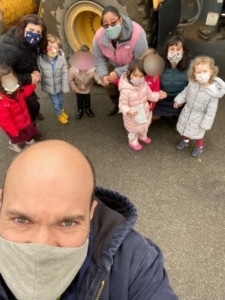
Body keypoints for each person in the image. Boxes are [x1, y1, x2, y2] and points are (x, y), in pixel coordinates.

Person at [0, 139, 178, 299]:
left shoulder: (136, 262)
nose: (42, 244)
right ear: (1, 203)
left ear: (91, 213)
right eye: (21, 220)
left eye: (68, 223)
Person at [93, 5, 148, 116]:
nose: (110, 27)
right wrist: (103, 75)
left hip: (134, 66)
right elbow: (98, 59)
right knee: (109, 84)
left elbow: (141, 60)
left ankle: (134, 107)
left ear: (121, 20)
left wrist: (118, 72)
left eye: (113, 23)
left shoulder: (137, 33)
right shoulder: (99, 36)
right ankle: (116, 102)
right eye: (106, 25)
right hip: (113, 64)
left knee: (133, 88)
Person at [0, 14, 48, 140]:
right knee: (31, 106)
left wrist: (36, 71)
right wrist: (29, 78)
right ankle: (28, 129)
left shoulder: (31, 42)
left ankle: (29, 117)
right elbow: (4, 76)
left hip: (23, 78)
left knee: (29, 106)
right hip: (11, 86)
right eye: (31, 30)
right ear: (23, 28)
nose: (35, 35)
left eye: (38, 32)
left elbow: (32, 59)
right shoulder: (8, 49)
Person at [174, 56, 225, 157]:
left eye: (204, 71)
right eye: (198, 72)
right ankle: (185, 140)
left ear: (211, 72)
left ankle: (199, 146)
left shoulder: (213, 93)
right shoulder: (193, 83)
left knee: (199, 134)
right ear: (194, 73)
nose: (201, 75)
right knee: (185, 128)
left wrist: (206, 123)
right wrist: (178, 100)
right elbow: (185, 92)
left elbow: (211, 111)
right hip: (187, 111)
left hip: (200, 117)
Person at [119, 59, 167, 151]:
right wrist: (128, 111)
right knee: (133, 130)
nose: (138, 78)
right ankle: (133, 140)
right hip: (133, 116)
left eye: (141, 76)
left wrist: (158, 95)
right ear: (129, 73)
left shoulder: (144, 85)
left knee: (144, 127)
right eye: (136, 75)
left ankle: (143, 136)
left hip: (144, 112)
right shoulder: (125, 90)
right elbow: (122, 105)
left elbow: (150, 95)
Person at [0, 65, 40, 152]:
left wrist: (33, 86)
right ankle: (13, 144)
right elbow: (5, 121)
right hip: (15, 127)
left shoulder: (17, 90)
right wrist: (14, 131)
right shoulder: (2, 102)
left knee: (28, 133)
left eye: (11, 78)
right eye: (6, 80)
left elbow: (25, 92)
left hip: (25, 121)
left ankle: (29, 140)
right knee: (17, 138)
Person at [153, 35, 192, 125]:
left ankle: (175, 116)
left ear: (184, 51)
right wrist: (157, 91)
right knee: (146, 120)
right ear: (167, 50)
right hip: (161, 100)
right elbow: (150, 82)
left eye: (178, 49)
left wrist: (183, 99)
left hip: (180, 100)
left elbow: (193, 87)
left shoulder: (191, 66)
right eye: (172, 49)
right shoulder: (158, 64)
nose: (175, 52)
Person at [38, 34, 70, 125]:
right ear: (44, 47)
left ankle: (62, 111)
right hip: (50, 87)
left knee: (61, 100)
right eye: (49, 47)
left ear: (59, 49)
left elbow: (64, 72)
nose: (53, 49)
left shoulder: (61, 58)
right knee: (55, 102)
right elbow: (38, 71)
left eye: (56, 47)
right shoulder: (40, 59)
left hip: (59, 85)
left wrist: (65, 86)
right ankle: (59, 114)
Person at [68, 45, 104, 119]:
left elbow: (97, 78)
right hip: (78, 89)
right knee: (79, 100)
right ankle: (80, 110)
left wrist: (103, 83)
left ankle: (88, 109)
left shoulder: (92, 69)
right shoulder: (72, 70)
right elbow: (70, 80)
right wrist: (75, 89)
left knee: (87, 100)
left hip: (87, 89)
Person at [141, 48, 165, 114]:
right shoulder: (138, 72)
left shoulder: (156, 77)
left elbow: (155, 92)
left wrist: (152, 104)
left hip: (148, 103)